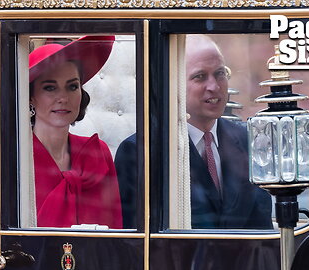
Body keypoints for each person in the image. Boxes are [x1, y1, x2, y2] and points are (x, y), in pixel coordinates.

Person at [115, 34, 272, 229]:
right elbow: (137, 239)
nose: (214, 87)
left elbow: (262, 229)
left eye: (220, 74)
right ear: (174, 82)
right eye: (200, 77)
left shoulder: (248, 140)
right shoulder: (142, 151)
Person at [0, 35, 123, 229]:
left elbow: (116, 232)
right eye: (50, 88)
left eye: (72, 86)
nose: (63, 97)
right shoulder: (2, 155)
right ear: (30, 97)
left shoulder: (97, 152)